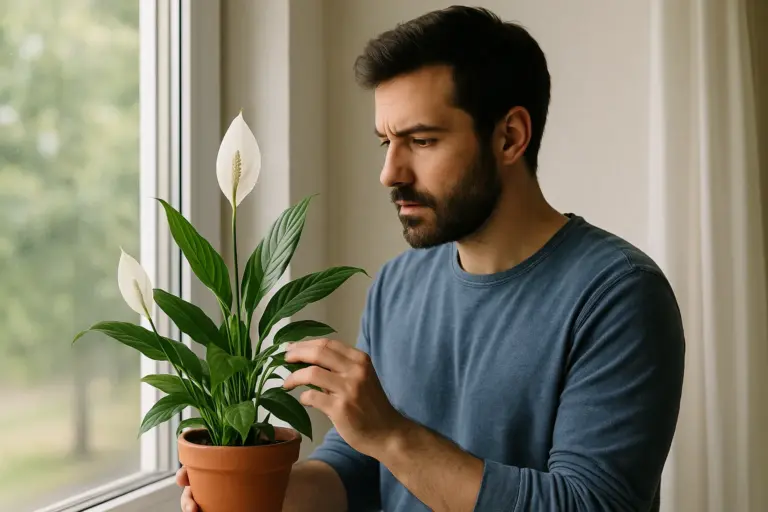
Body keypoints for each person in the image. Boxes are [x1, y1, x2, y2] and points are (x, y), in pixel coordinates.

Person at [178, 5, 685, 511]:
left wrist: (392, 435)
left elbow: (589, 504)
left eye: (421, 141)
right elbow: (360, 467)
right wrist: (257, 495)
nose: (389, 172)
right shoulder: (397, 284)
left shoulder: (619, 294)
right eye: (386, 142)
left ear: (510, 137)